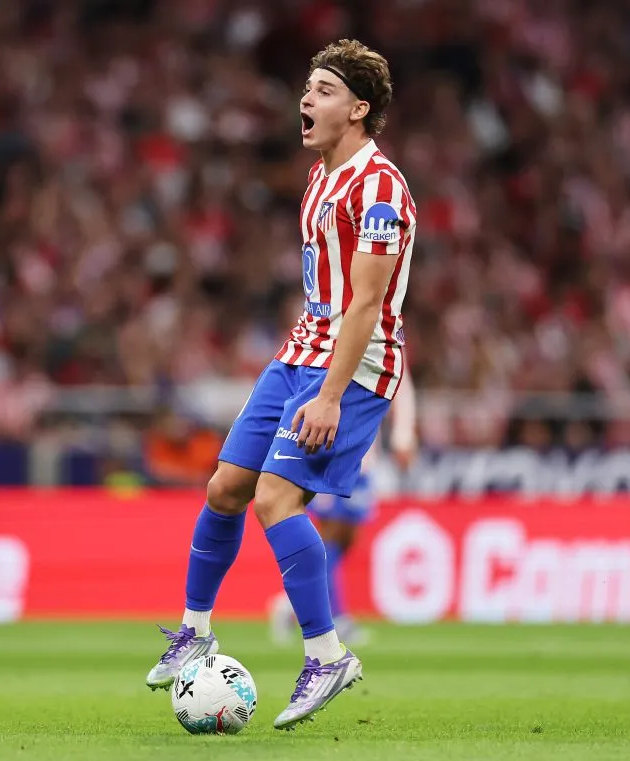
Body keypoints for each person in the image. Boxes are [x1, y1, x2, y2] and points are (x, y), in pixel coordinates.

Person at [145, 39, 416, 731]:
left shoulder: (379, 187)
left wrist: (328, 395)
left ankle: (327, 655)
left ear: (359, 109)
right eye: (306, 87)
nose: (306, 99)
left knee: (275, 496)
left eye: (323, 90)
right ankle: (196, 629)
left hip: (352, 368)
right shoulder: (320, 179)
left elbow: (364, 304)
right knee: (225, 487)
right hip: (298, 351)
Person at [269, 362, 416, 647]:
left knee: (346, 537)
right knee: (330, 535)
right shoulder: (338, 330)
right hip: (333, 446)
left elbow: (400, 384)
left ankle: (291, 605)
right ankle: (336, 617)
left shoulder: (386, 334)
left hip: (364, 453)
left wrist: (402, 435)